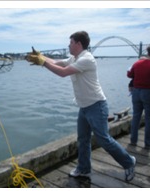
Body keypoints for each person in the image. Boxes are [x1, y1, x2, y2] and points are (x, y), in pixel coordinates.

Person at [25, 31, 136, 181]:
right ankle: (83, 169)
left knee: (103, 139)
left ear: (78, 44)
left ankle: (129, 162)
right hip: (84, 107)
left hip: (97, 106)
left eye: (70, 42)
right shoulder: (74, 58)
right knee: (83, 139)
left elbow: (63, 72)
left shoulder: (87, 59)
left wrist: (42, 62)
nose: (68, 45)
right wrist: (41, 56)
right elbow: (58, 62)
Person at [127, 46, 150, 149]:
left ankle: (133, 141)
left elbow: (129, 74)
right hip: (149, 92)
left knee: (136, 116)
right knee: (149, 118)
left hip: (136, 92)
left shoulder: (136, 63)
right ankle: (148, 143)